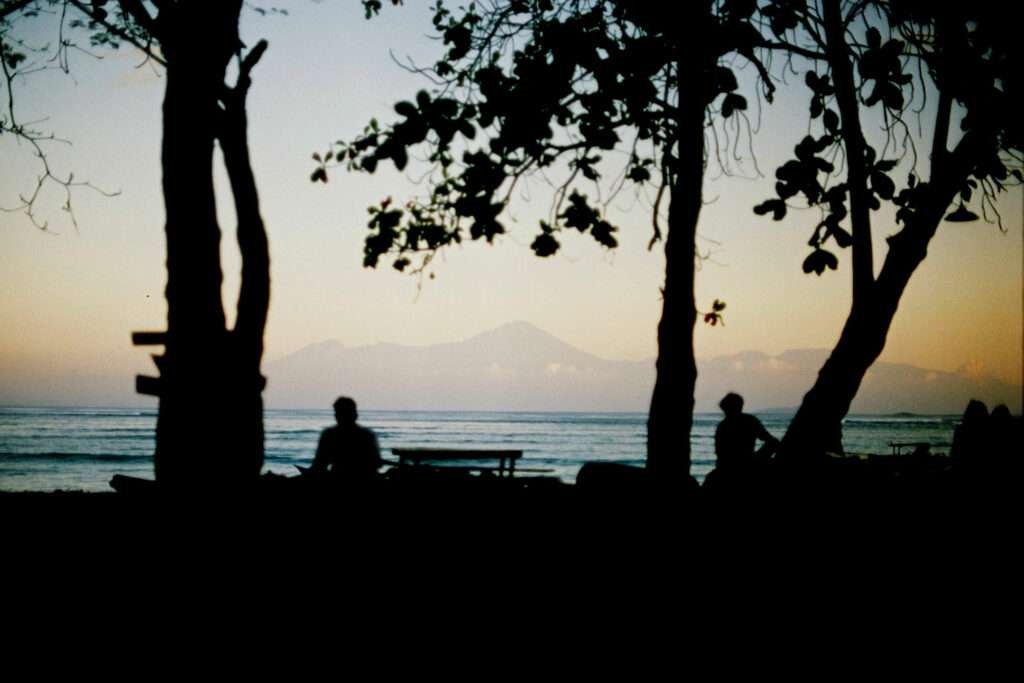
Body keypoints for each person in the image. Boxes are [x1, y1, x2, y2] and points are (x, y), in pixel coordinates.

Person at [309, 397, 382, 481]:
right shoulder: (367, 435)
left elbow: (319, 464)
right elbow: (376, 463)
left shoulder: (329, 434)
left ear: (337, 415)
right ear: (355, 415)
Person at [713, 392, 779, 471]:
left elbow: (719, 452)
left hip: (732, 463)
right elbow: (770, 439)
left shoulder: (723, 425)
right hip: (745, 462)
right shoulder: (750, 420)